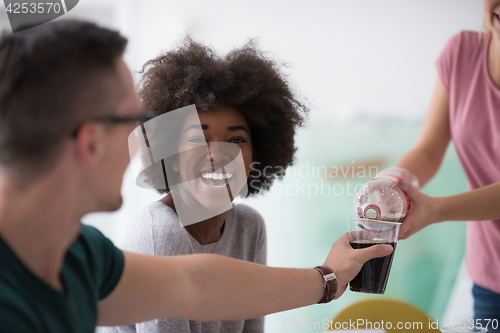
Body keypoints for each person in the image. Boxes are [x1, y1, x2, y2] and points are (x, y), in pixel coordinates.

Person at [0, 20, 393, 333]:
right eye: (138, 122)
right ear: (92, 143)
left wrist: (328, 277)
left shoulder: (79, 254)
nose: (143, 138)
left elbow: (197, 287)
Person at [106, 39, 307, 333]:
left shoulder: (249, 228)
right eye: (199, 140)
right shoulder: (162, 233)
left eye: (236, 140)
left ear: (255, 157)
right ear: (171, 157)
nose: (217, 155)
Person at [392, 0, 500, 330]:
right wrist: (395, 180)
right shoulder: (462, 52)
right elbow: (427, 150)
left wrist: (435, 210)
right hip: (490, 277)